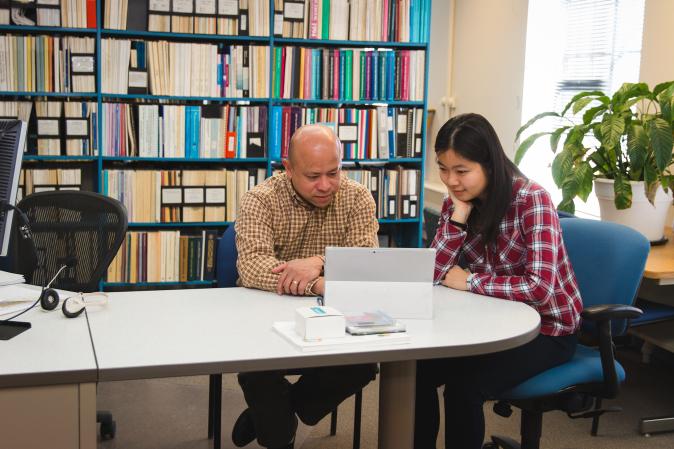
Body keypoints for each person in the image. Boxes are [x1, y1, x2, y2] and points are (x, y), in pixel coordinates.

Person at [414, 113, 583, 449]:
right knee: (416, 374)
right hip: (489, 323)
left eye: (461, 170)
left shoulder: (531, 199)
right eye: (443, 168)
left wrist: (472, 282)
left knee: (465, 388)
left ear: (489, 164)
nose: (450, 180)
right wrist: (457, 220)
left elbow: (540, 287)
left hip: (547, 330)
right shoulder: (457, 202)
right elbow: (431, 275)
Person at [232, 124, 379, 449]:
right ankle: (279, 433)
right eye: (313, 176)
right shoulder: (260, 200)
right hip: (264, 320)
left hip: (333, 319)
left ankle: (281, 412)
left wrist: (318, 261)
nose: (325, 185)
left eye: (334, 172)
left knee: (365, 364)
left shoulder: (358, 198)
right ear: (288, 169)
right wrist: (319, 282)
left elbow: (364, 261)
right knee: (259, 372)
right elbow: (253, 267)